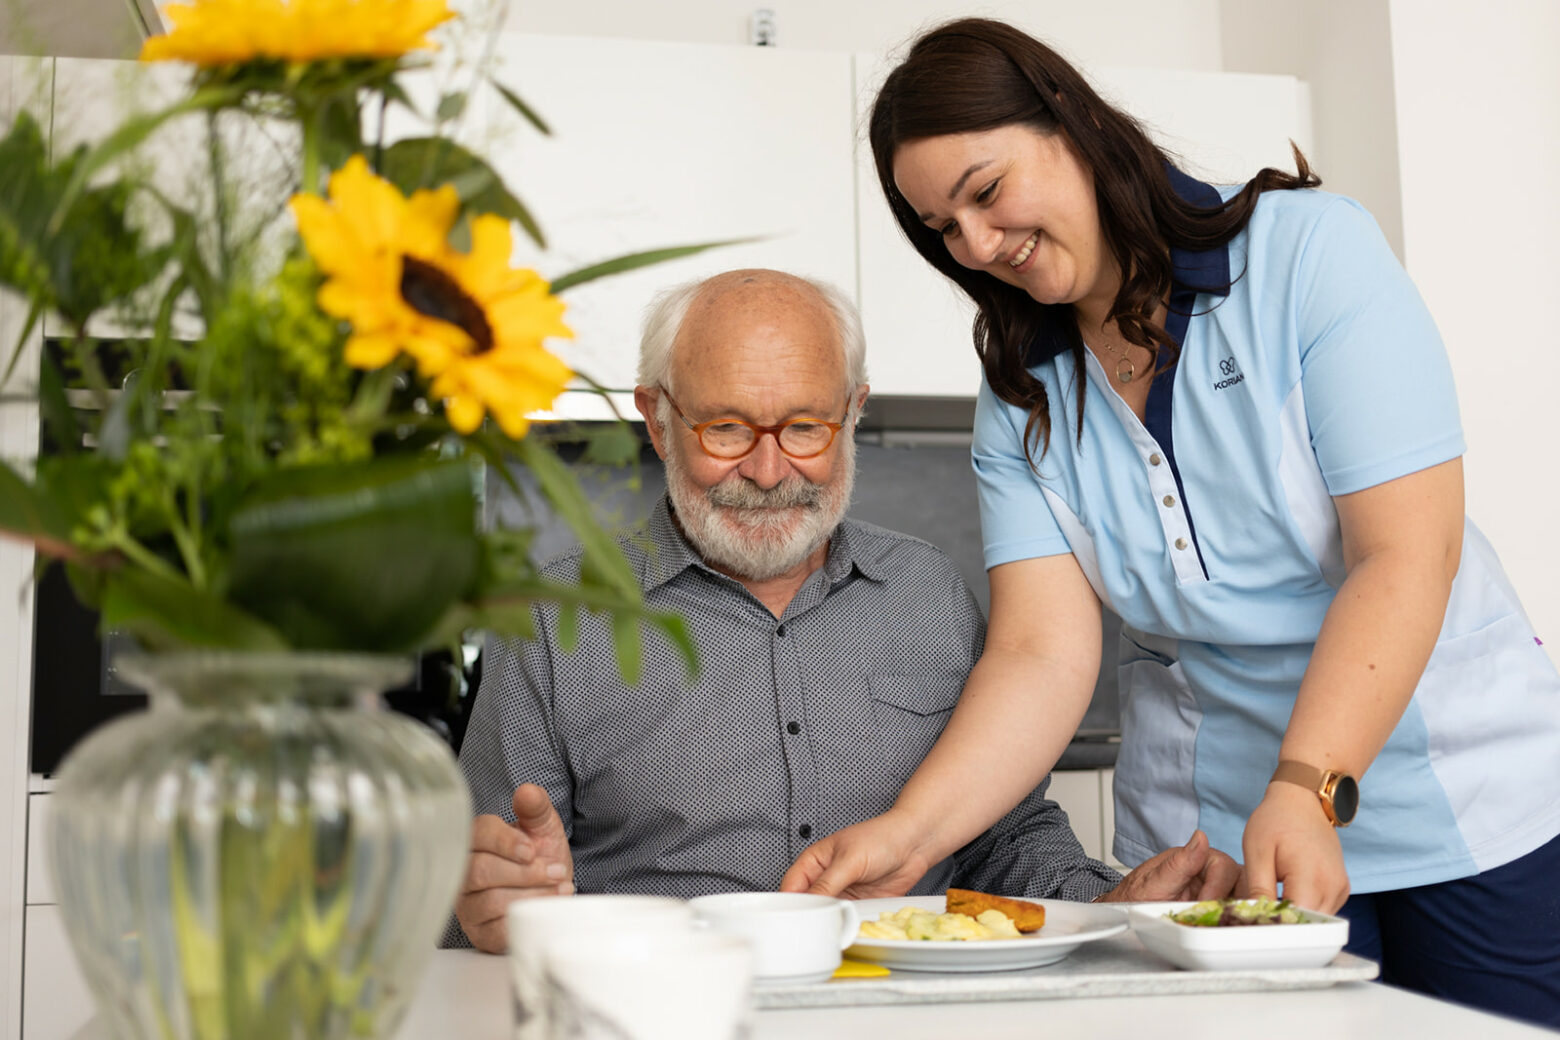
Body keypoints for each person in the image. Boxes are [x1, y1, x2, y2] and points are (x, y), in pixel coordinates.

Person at [778, 18, 1560, 1027]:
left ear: (1069, 123)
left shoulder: (1307, 257)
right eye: (941, 228)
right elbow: (1038, 654)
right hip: (1234, 836)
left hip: (1458, 789)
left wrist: (1308, 782)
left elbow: (1406, 554)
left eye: (984, 191)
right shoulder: (1024, 388)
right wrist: (912, 831)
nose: (974, 245)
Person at [443, 268, 1239, 953]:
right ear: (657, 418)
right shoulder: (553, 623)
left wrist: (1110, 902)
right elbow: (484, 895)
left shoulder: (927, 592)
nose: (766, 469)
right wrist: (494, 907)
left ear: (853, 411)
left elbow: (1005, 835)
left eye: (804, 427)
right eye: (725, 428)